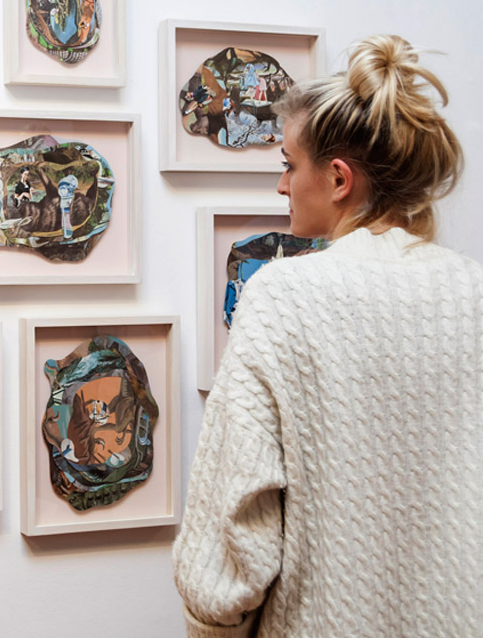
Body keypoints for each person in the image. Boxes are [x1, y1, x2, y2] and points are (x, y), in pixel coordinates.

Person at [173, 35, 482, 637]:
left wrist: (212, 625)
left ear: (339, 179)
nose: (282, 185)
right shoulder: (473, 291)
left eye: (289, 165)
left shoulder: (282, 296)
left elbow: (233, 534)